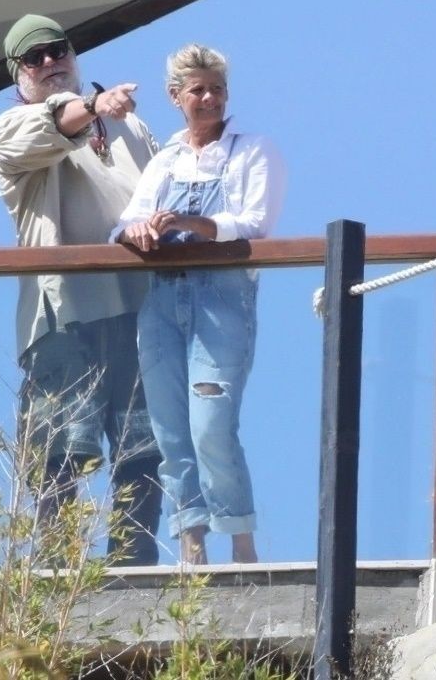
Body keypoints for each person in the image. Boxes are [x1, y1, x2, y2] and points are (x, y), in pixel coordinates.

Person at [0, 14, 163, 566]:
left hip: (141, 309)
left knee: (143, 451)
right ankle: (55, 578)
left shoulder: (132, 128)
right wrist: (93, 105)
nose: (48, 63)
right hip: (63, 315)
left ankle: (134, 577)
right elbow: (55, 123)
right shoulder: (9, 127)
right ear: (17, 73)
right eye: (33, 58)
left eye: (56, 50)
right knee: (59, 455)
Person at [112, 44, 286, 565]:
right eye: (198, 90)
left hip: (221, 300)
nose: (209, 99)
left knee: (211, 423)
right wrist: (138, 230)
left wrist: (188, 223)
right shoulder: (166, 160)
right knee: (169, 426)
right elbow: (124, 221)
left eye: (217, 89)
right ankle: (192, 544)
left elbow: (255, 223)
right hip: (162, 299)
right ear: (176, 97)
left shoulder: (252, 150)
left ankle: (241, 544)